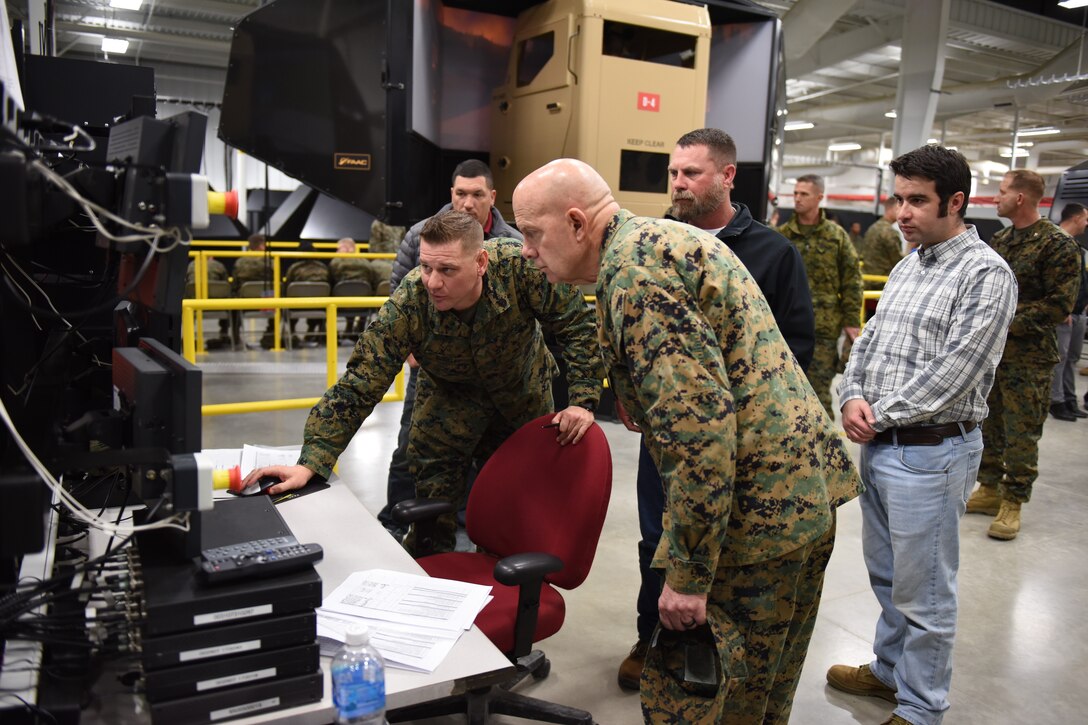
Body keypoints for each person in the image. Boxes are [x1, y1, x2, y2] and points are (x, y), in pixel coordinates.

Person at [513, 159, 860, 723]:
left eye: (532, 232)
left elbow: (700, 434)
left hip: (754, 525)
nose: (526, 249)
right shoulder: (665, 239)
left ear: (577, 224)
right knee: (760, 696)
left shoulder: (635, 275)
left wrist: (689, 574)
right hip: (800, 502)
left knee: (695, 705)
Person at [243, 210, 602, 554]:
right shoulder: (411, 302)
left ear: (480, 264)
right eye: (426, 266)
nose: (433, 281)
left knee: (512, 518)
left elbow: (576, 324)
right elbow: (360, 382)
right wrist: (313, 459)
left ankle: (505, 601)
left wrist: (583, 400)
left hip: (520, 399)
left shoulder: (520, 268)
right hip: (448, 406)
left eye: (447, 269)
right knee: (431, 518)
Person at [617, 127, 817, 691]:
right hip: (666, 436)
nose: (678, 183)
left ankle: (710, 645)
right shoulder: (654, 241)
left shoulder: (772, 253)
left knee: (721, 546)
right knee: (657, 538)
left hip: (740, 441)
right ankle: (651, 633)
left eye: (692, 173)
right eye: (674, 172)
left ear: (727, 176)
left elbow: (795, 349)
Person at [826, 145, 1017, 725]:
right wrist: (850, 393)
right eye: (897, 199)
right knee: (887, 577)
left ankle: (922, 707)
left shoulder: (986, 275)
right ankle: (889, 674)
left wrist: (877, 414)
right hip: (883, 449)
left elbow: (957, 372)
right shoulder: (911, 263)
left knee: (926, 594)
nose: (900, 214)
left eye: (917, 201)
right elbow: (871, 341)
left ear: (955, 203)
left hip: (933, 455)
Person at [377, 159, 523, 540]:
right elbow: (399, 292)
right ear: (451, 194)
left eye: (477, 195)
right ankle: (397, 518)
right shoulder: (419, 236)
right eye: (460, 193)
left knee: (483, 448)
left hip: (492, 372)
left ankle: (463, 520)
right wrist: (409, 348)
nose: (467, 202)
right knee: (412, 443)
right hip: (432, 364)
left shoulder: (513, 244)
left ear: (491, 197)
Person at [965, 169, 1080, 540]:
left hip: (1029, 356)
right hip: (994, 354)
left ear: (1020, 198)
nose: (993, 199)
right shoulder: (1001, 239)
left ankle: (1013, 500)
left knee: (1021, 430)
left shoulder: (1057, 244)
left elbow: (1060, 304)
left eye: (1000, 192)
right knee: (990, 422)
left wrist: (1004, 320)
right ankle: (989, 487)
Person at [777, 174, 864, 417]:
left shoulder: (836, 236)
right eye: (795, 193)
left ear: (819, 197)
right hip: (787, 326)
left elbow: (851, 279)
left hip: (823, 328)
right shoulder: (782, 235)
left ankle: (824, 450)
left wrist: (851, 322)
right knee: (784, 390)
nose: (797, 199)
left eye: (804, 194)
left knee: (819, 393)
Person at [1048, 203, 1088, 421]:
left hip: (1078, 312)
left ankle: (1070, 399)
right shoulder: (1055, 242)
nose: (1087, 224)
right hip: (1064, 314)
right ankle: (1057, 401)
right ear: (1075, 218)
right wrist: (1061, 309)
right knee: (1060, 359)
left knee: (1071, 358)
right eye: (1085, 218)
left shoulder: (1077, 247)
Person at [329, 237, 390, 336]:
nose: (336, 251)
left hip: (341, 303)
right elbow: (371, 280)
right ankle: (360, 328)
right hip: (363, 304)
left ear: (347, 248)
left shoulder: (335, 262)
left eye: (338, 249)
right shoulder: (366, 263)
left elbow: (331, 279)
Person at [232, 233, 276, 349]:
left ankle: (235, 337)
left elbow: (235, 284)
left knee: (232, 303)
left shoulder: (240, 262)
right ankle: (272, 335)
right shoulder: (271, 262)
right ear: (261, 246)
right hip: (267, 303)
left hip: (245, 304)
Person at [185, 255, 232, 349]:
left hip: (194, 307)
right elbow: (226, 286)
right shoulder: (219, 265)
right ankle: (227, 334)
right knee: (231, 300)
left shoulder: (190, 265)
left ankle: (188, 338)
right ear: (212, 256)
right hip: (217, 307)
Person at [284, 254, 331, 346]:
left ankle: (292, 332)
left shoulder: (294, 268)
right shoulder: (323, 268)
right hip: (320, 306)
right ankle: (314, 329)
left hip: (297, 306)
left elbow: (287, 287)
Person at [861, 197, 905, 286]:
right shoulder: (889, 232)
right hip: (882, 282)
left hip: (868, 280)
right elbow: (898, 262)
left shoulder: (873, 227)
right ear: (893, 209)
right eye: (899, 209)